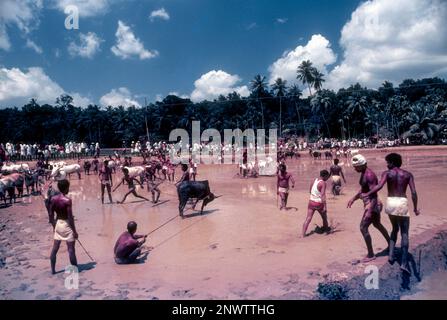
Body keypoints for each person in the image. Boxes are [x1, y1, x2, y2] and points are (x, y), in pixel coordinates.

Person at [361, 153, 420, 273]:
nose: (387, 164)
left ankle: (391, 256)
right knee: (404, 233)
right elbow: (413, 193)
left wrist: (368, 193)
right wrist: (415, 208)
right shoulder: (408, 175)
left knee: (394, 229)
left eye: (388, 162)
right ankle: (403, 263)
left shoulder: (387, 173)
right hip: (401, 202)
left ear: (393, 162)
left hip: (391, 202)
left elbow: (379, 186)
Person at [347, 154, 390, 263]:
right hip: (370, 202)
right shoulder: (363, 173)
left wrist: (370, 211)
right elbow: (363, 189)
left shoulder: (369, 175)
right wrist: (354, 198)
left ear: (363, 165)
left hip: (372, 203)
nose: (354, 168)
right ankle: (391, 244)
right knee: (377, 224)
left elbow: (374, 194)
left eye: (356, 166)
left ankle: (371, 254)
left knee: (363, 227)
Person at [48, 180, 78, 275]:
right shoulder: (67, 200)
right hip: (66, 224)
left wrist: (54, 225)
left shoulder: (53, 199)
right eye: (68, 187)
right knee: (71, 249)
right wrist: (74, 231)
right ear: (66, 188)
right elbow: (70, 217)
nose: (69, 189)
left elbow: (50, 214)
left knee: (55, 248)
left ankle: (53, 270)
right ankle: (75, 271)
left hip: (58, 223)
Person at [302, 170, 330, 237]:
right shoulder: (323, 183)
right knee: (324, 217)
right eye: (327, 177)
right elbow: (323, 195)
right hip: (318, 203)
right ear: (325, 176)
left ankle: (303, 235)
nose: (327, 178)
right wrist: (325, 207)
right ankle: (326, 232)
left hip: (311, 202)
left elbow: (310, 191)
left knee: (308, 218)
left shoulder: (314, 180)